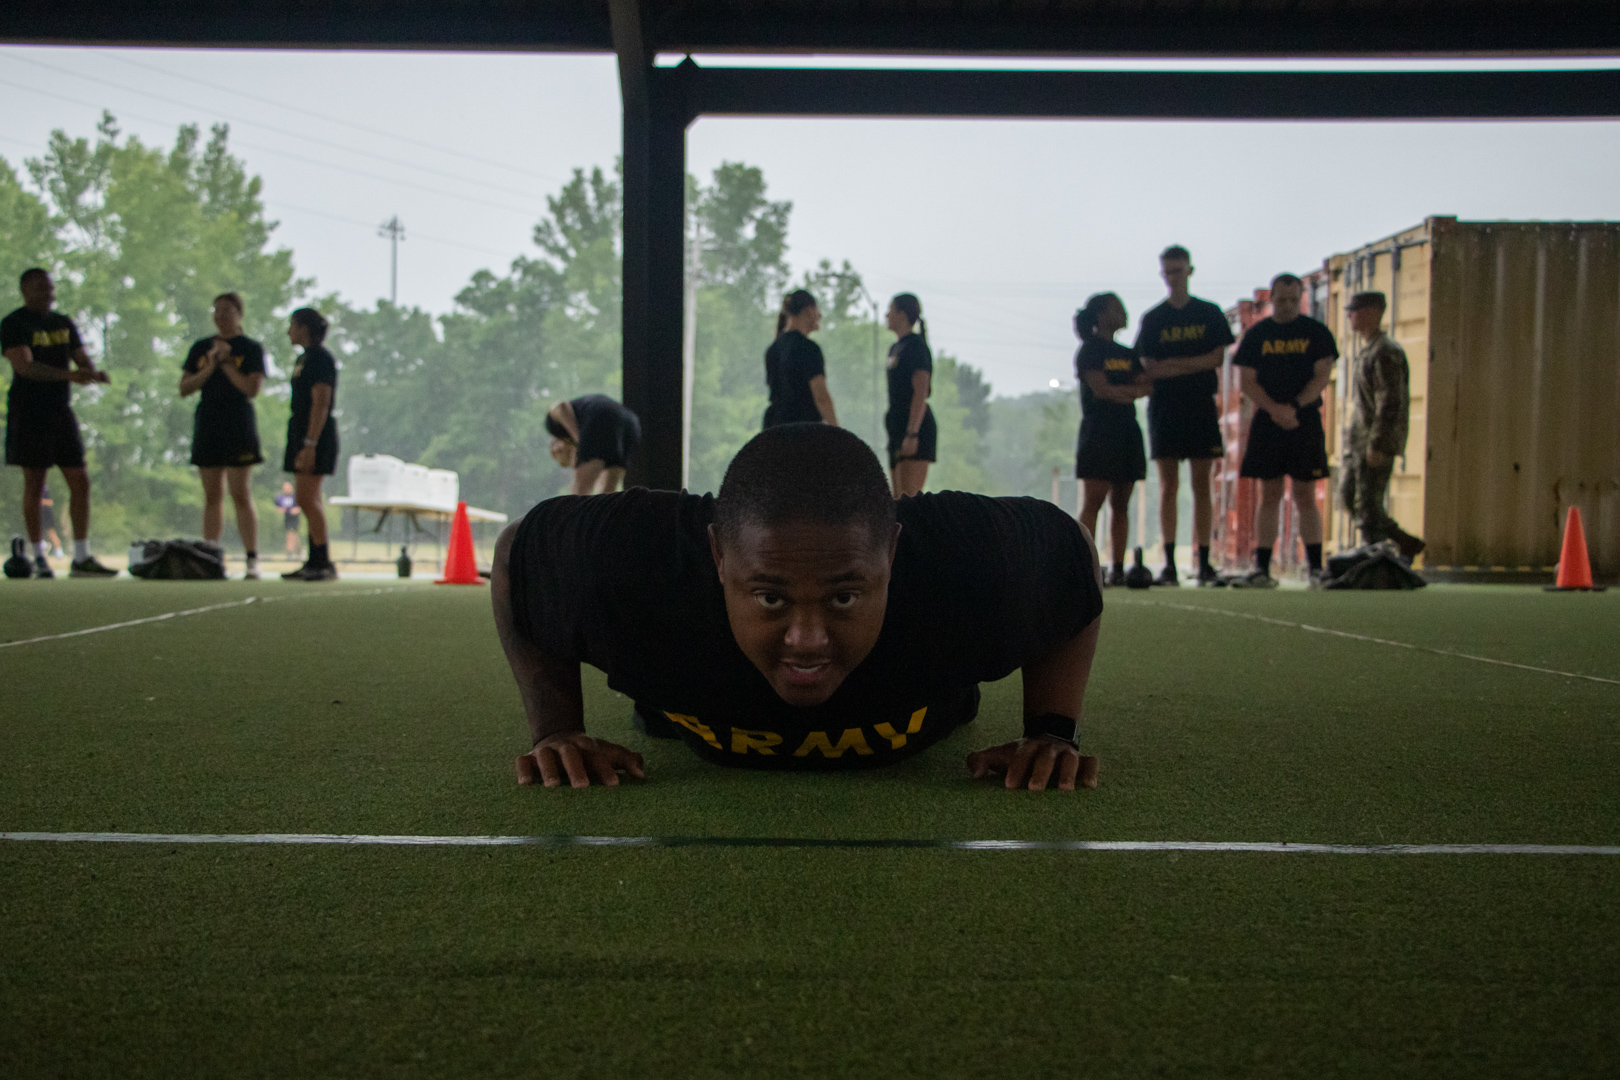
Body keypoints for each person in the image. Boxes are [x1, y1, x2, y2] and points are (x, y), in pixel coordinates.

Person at [492, 423, 1104, 791]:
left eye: (844, 596)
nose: (807, 639)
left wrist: (1052, 732)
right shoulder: (643, 569)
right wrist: (559, 729)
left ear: (892, 554)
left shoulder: (963, 569)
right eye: (770, 597)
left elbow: (1072, 550)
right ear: (717, 558)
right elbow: (517, 549)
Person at [1, 268, 117, 578]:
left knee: (80, 481)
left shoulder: (63, 323)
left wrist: (92, 373)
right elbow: (25, 367)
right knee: (35, 484)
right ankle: (39, 557)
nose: (49, 294)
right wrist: (68, 375)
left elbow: (81, 359)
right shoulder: (14, 324)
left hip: (60, 412)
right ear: (26, 290)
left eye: (51, 289)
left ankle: (81, 557)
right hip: (28, 412)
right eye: (41, 288)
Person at [1134, 245, 1236, 587]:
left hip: (1200, 406)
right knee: (1168, 486)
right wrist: (1192, 363)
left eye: (1178, 271)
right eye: (1167, 272)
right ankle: (1169, 566)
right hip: (1165, 409)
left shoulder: (1209, 313)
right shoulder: (1153, 318)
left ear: (1189, 271)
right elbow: (1148, 366)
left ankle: (1205, 562)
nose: (1172, 278)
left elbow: (1216, 359)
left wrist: (1173, 366)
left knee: (1202, 485)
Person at [1231, 273, 1339, 588]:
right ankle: (1262, 569)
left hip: (1304, 420)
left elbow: (1322, 375)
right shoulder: (1257, 334)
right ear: (1272, 299)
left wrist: (1293, 406)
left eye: (1294, 299)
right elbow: (1247, 380)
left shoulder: (1316, 333)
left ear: (1301, 298)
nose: (1288, 305)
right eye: (1282, 299)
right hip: (1268, 421)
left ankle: (1316, 569)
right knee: (1270, 494)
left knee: (1305, 495)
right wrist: (1275, 409)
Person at [178, 292, 266, 580]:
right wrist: (211, 365)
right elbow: (185, 387)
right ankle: (210, 555)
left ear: (239, 314)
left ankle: (252, 559)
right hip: (208, 423)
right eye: (216, 311)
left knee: (240, 493)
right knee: (211, 494)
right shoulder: (201, 347)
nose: (221, 316)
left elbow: (251, 389)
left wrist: (228, 364)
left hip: (238, 424)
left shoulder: (250, 348)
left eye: (227, 311)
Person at [1073, 293, 1151, 586]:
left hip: (1127, 431)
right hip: (1098, 432)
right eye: (1118, 308)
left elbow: (1147, 385)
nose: (1125, 313)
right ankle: (1084, 565)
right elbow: (1101, 390)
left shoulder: (1127, 353)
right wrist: (1127, 392)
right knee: (1094, 500)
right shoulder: (1089, 351)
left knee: (1122, 502)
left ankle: (1118, 567)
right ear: (1102, 315)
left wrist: (1122, 392)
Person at [1342, 291, 1424, 560]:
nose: (1349, 316)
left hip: (1375, 440)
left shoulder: (1386, 352)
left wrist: (1378, 442)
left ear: (1371, 312)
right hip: (1360, 439)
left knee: (1367, 504)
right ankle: (1402, 543)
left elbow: (1390, 401)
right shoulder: (1370, 349)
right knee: (1349, 496)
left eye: (1354, 310)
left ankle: (1377, 556)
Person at [281, 307, 338, 581]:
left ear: (305, 327)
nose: (288, 331)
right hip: (300, 430)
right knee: (305, 498)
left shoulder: (320, 360)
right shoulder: (303, 359)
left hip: (314, 435)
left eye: (292, 325)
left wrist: (310, 443)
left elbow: (321, 402)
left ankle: (322, 560)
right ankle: (313, 559)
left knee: (307, 498)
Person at [884, 293, 935, 498]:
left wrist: (912, 433)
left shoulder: (916, 347)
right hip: (897, 427)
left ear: (902, 315)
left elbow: (920, 392)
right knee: (896, 500)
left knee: (910, 499)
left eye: (891, 310)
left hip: (915, 429)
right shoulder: (895, 348)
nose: (886, 315)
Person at [762, 290, 837, 429]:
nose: (819, 316)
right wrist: (839, 434)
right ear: (809, 311)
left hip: (773, 431)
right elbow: (821, 397)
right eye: (817, 311)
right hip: (802, 433)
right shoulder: (809, 348)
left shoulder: (773, 349)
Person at [545, 394, 642, 495]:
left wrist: (580, 443)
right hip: (630, 422)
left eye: (558, 452)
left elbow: (561, 406)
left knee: (579, 493)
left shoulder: (552, 425)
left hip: (600, 414)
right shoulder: (592, 439)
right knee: (607, 494)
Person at [274, 480, 301, 560]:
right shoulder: (280, 498)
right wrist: (281, 510)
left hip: (294, 518)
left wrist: (296, 510)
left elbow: (299, 507)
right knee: (290, 534)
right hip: (287, 518)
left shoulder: (295, 497)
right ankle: (292, 550)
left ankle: (290, 550)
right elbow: (278, 507)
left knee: (292, 533)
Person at [38, 484, 64, 558]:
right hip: (42, 511)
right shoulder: (43, 487)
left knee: (51, 532)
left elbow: (48, 501)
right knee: (40, 531)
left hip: (45, 511)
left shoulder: (42, 487)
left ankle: (58, 550)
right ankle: (44, 545)